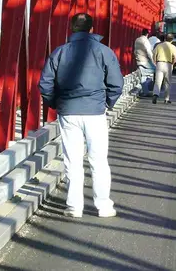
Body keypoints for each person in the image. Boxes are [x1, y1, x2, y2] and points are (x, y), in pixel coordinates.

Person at [38, 13, 122, 218]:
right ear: (91, 29)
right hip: (95, 112)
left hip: (68, 112)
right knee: (99, 160)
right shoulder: (104, 51)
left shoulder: (59, 52)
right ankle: (103, 207)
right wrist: (107, 103)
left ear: (72, 28)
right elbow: (116, 84)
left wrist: (56, 104)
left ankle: (74, 207)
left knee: (72, 161)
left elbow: (45, 84)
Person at [152, 33, 176, 104]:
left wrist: (155, 62)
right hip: (168, 64)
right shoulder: (173, 47)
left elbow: (154, 55)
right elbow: (175, 58)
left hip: (159, 63)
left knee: (158, 81)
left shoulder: (159, 46)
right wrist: (172, 63)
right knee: (167, 82)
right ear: (172, 40)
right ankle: (166, 98)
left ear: (165, 38)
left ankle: (155, 94)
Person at [133, 29, 155, 96]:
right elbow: (149, 51)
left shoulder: (137, 40)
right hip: (145, 61)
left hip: (139, 60)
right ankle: (145, 90)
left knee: (143, 75)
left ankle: (145, 91)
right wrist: (153, 60)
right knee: (154, 70)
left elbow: (135, 50)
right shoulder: (146, 41)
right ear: (147, 34)